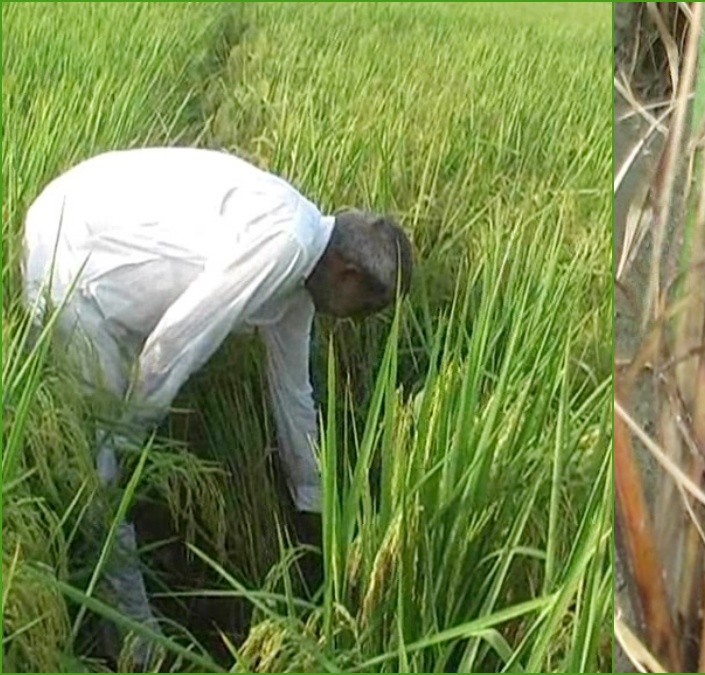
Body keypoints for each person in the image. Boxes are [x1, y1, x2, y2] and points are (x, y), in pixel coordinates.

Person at [21, 146, 414, 666]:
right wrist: (134, 439)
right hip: (73, 257)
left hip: (100, 256)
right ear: (347, 273)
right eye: (368, 308)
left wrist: (315, 512)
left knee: (111, 453)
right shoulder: (285, 243)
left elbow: (294, 397)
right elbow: (178, 341)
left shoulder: (300, 281)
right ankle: (137, 648)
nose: (357, 322)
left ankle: (131, 635)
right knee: (103, 473)